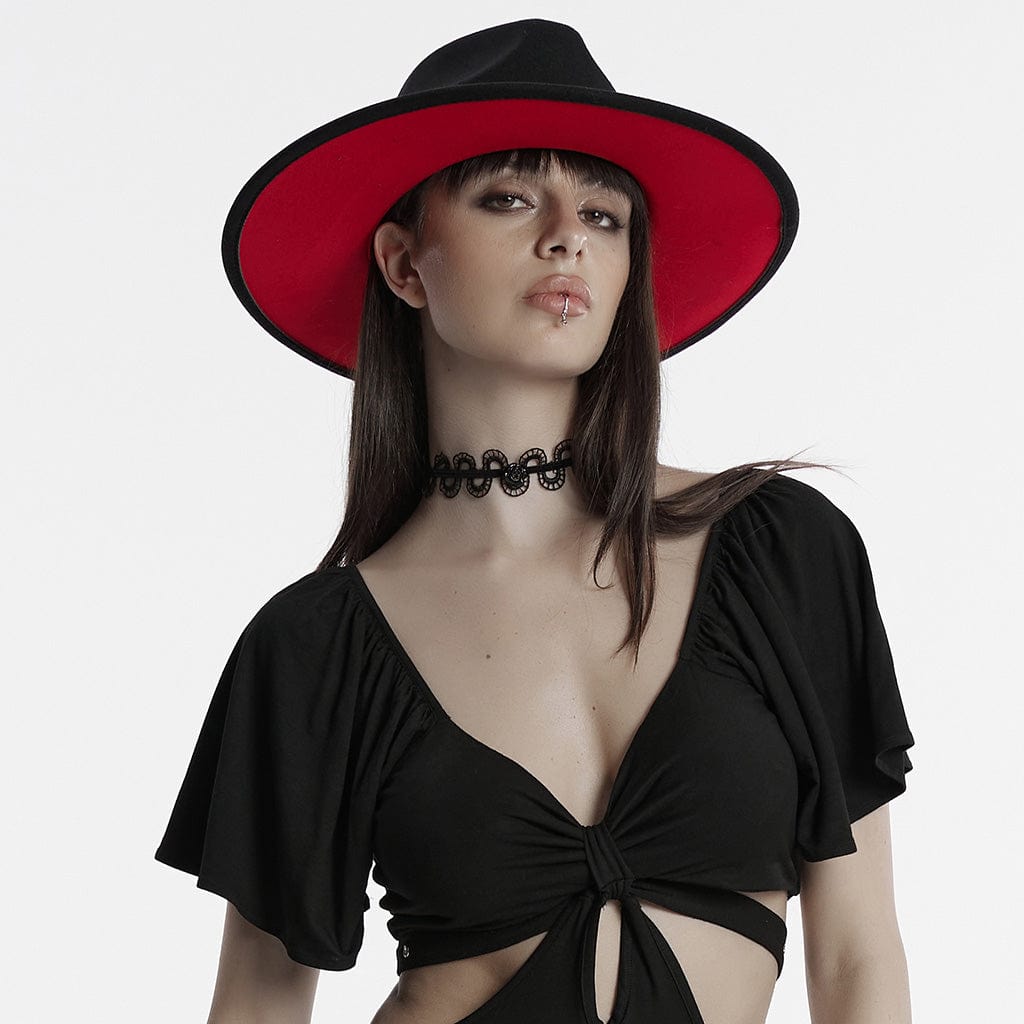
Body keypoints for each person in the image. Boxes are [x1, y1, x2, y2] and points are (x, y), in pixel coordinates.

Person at [154, 19, 915, 1024]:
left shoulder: (781, 549)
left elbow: (857, 956)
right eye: (509, 198)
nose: (566, 236)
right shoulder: (316, 647)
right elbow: (255, 1006)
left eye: (603, 214)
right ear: (404, 264)